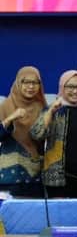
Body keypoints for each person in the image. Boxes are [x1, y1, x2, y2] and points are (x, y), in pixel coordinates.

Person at [29, 70, 77, 198]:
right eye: (70, 87)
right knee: (59, 211)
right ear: (62, 87)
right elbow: (36, 135)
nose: (75, 91)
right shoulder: (53, 109)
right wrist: (51, 111)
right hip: (57, 178)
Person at [0, 67, 46, 196]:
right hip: (8, 176)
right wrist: (10, 118)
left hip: (34, 177)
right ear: (18, 83)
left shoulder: (43, 108)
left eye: (35, 83)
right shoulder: (5, 106)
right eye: (26, 82)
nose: (31, 87)